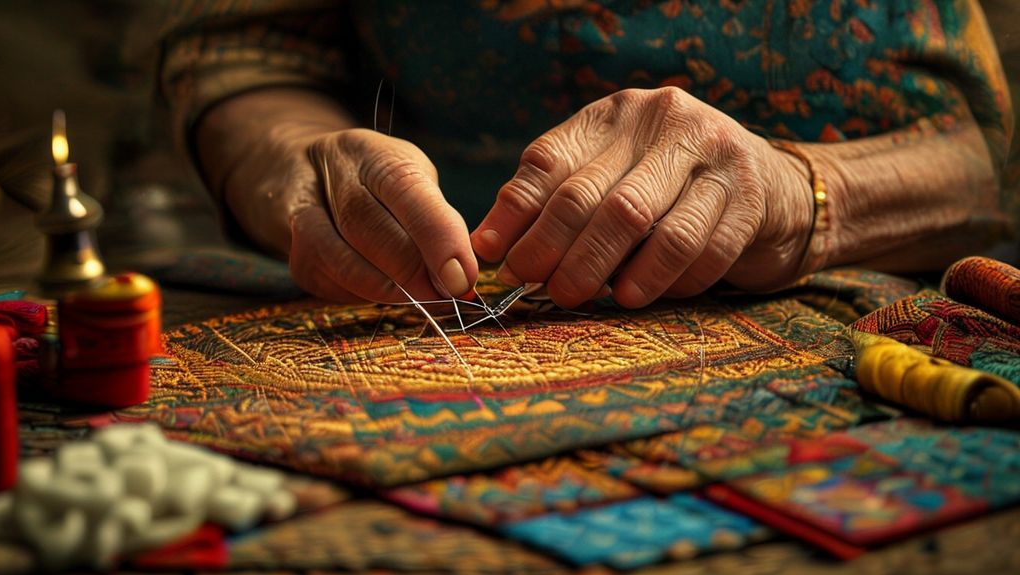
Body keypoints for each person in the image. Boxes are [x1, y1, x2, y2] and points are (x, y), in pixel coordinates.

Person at [159, 1, 1014, 309]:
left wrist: (802, 194)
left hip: (892, 316)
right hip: (425, 292)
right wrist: (295, 160)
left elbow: (992, 167)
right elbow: (245, 53)